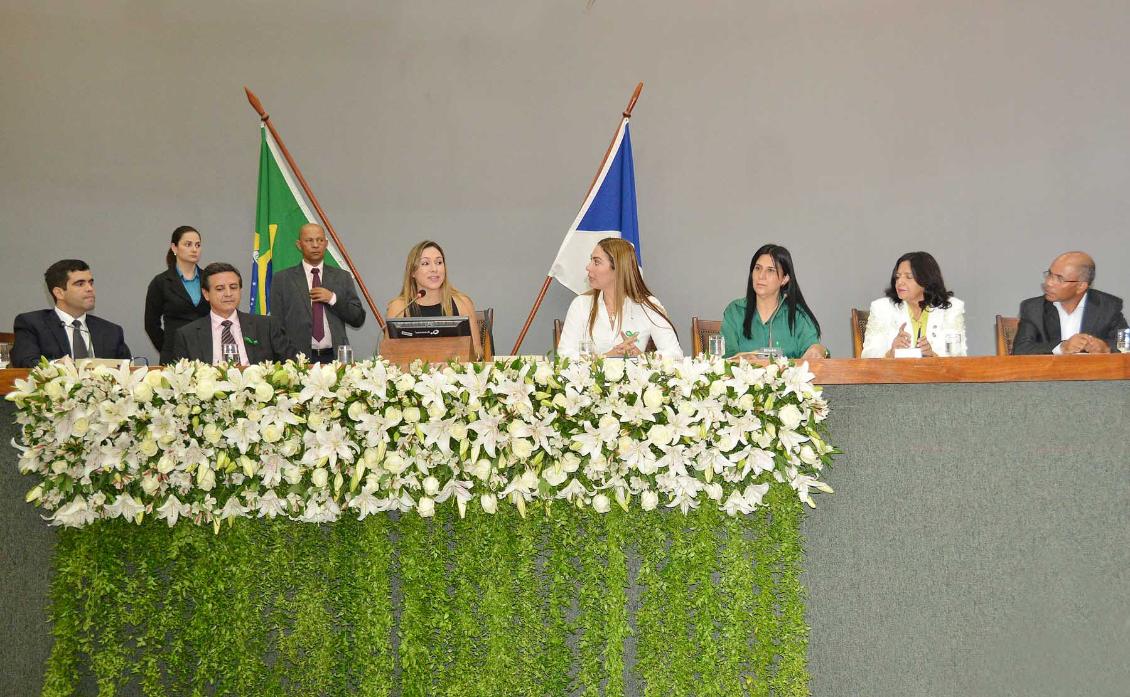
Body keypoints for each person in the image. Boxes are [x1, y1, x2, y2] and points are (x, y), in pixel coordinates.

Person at [557, 237, 683, 359]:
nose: (588, 267)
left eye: (596, 262)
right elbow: (564, 355)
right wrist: (606, 357)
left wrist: (642, 358)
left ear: (618, 269)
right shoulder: (580, 304)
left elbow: (675, 354)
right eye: (591, 260)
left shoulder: (648, 305)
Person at [269, 223, 366, 364]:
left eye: (320, 240)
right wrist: (291, 359)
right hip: (297, 361)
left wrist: (333, 299)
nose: (315, 245)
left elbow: (358, 318)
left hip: (334, 359)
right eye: (309, 240)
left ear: (326, 244)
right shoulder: (283, 279)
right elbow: (276, 326)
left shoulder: (342, 277)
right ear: (299, 244)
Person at [11, 259, 131, 367]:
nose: (90, 288)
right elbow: (25, 362)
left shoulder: (111, 331)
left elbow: (127, 369)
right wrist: (56, 366)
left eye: (91, 282)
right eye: (80, 284)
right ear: (59, 293)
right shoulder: (32, 324)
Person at [170, 263, 295, 364]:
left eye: (234, 287)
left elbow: (292, 366)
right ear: (206, 294)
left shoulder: (267, 326)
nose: (228, 293)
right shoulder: (187, 335)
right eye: (220, 289)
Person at [721, 244, 827, 361]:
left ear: (784, 279)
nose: (761, 276)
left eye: (770, 270)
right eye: (757, 268)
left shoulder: (797, 315)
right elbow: (726, 357)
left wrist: (818, 350)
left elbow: (813, 347)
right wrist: (744, 358)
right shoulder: (735, 311)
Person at [1012, 251, 1127, 354]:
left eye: (1059, 279)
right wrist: (1061, 347)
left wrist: (1106, 348)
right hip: (1049, 375)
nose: (1048, 283)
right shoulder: (1033, 308)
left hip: (1094, 375)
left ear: (1081, 286)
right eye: (1049, 274)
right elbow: (1020, 350)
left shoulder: (1109, 306)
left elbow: (1126, 345)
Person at [386, 240, 483, 359]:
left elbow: (478, 350)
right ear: (412, 272)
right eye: (425, 263)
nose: (434, 269)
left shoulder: (462, 303)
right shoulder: (399, 307)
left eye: (439, 262)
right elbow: (388, 356)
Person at [861, 251, 967, 358]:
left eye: (908, 277)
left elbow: (958, 357)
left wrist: (933, 356)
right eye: (897, 277)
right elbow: (867, 356)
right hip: (895, 374)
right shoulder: (881, 308)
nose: (900, 282)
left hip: (937, 374)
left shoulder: (951, 309)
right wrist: (890, 354)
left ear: (926, 279)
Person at [144, 225, 210, 365]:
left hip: (207, 352)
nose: (194, 249)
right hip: (174, 356)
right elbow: (151, 324)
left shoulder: (209, 279)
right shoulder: (161, 282)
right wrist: (168, 347)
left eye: (198, 245)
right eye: (188, 244)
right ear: (174, 248)